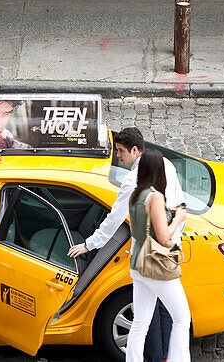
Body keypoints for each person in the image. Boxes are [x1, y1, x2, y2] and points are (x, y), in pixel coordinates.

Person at [68, 127, 183, 362]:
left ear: (134, 150)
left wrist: (89, 245)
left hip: (147, 256)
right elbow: (177, 206)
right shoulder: (165, 165)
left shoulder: (134, 181)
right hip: (165, 252)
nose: (117, 156)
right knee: (167, 313)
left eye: (120, 151)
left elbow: (115, 219)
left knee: (147, 318)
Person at [123, 148, 191, 362]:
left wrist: (164, 215)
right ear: (159, 170)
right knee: (182, 319)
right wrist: (177, 218)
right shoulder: (155, 197)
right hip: (156, 266)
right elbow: (163, 238)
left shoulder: (135, 196)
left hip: (138, 264)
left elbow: (137, 230)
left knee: (140, 323)